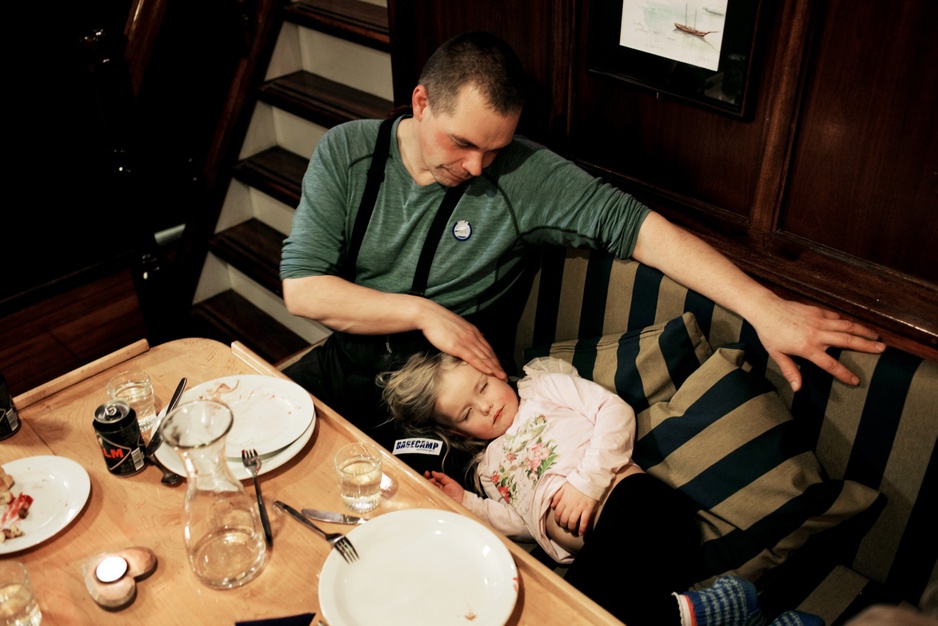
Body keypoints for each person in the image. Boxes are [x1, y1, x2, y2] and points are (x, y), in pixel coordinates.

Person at [280, 30, 885, 479]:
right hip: (343, 361)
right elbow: (303, 291)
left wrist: (763, 306)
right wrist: (424, 312)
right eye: (462, 143)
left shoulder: (521, 174)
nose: (476, 168)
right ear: (419, 103)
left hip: (442, 406)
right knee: (244, 449)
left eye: (494, 150)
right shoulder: (349, 152)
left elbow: (642, 229)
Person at [377, 351, 824, 626]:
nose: (487, 406)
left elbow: (614, 412)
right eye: (467, 412)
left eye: (483, 386)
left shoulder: (542, 388)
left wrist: (587, 486)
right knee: (596, 613)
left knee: (573, 611)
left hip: (643, 513)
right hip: (611, 557)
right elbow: (522, 522)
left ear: (494, 371)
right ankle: (727, 614)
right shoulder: (490, 467)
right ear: (459, 432)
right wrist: (467, 502)